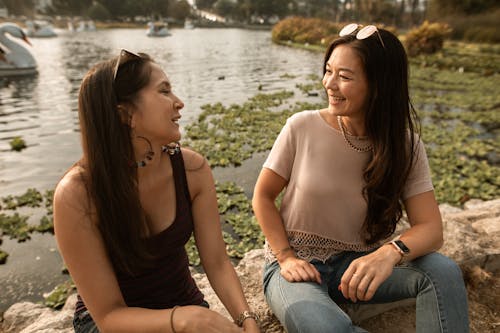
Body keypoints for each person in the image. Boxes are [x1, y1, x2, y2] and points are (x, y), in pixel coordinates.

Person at [252, 24, 469, 333]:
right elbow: (262, 196)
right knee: (329, 329)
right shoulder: (301, 127)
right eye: (328, 71)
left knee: (442, 271)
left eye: (345, 76)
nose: (330, 83)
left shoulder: (405, 145)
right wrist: (285, 257)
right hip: (296, 267)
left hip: (358, 269)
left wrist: (389, 254)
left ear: (379, 85)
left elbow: (432, 229)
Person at [53, 49, 260, 333]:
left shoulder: (191, 170)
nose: (179, 103)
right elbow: (109, 316)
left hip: (184, 305)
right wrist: (188, 320)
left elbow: (217, 262)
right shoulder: (77, 195)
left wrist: (247, 319)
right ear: (125, 114)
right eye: (164, 92)